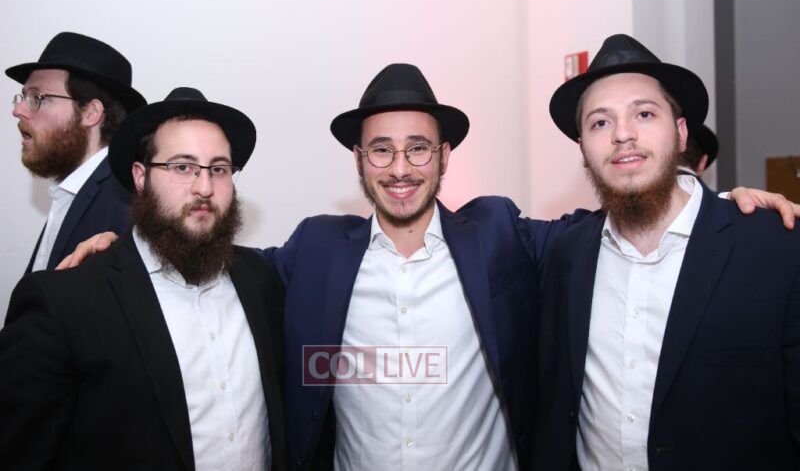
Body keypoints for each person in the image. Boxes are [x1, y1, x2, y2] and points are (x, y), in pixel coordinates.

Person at [59, 65, 800, 471]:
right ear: (359, 160)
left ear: (444, 157)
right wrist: (128, 250)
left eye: (419, 147)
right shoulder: (317, 250)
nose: (401, 167)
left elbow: (619, 220)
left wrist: (722, 203)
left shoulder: (502, 237)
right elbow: (226, 262)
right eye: (381, 149)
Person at [533, 34, 800, 471]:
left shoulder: (775, 247)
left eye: (644, 113)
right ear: (583, 148)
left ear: (680, 134)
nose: (623, 134)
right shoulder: (565, 253)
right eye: (599, 123)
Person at [0, 88, 286, 470]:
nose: (204, 187)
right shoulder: (64, 303)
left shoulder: (261, 279)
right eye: (182, 167)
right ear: (140, 176)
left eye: (218, 169)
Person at [7, 31, 146, 274]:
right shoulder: (69, 193)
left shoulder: (130, 206)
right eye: (23, 97)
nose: (18, 110)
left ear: (91, 113)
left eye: (37, 97)